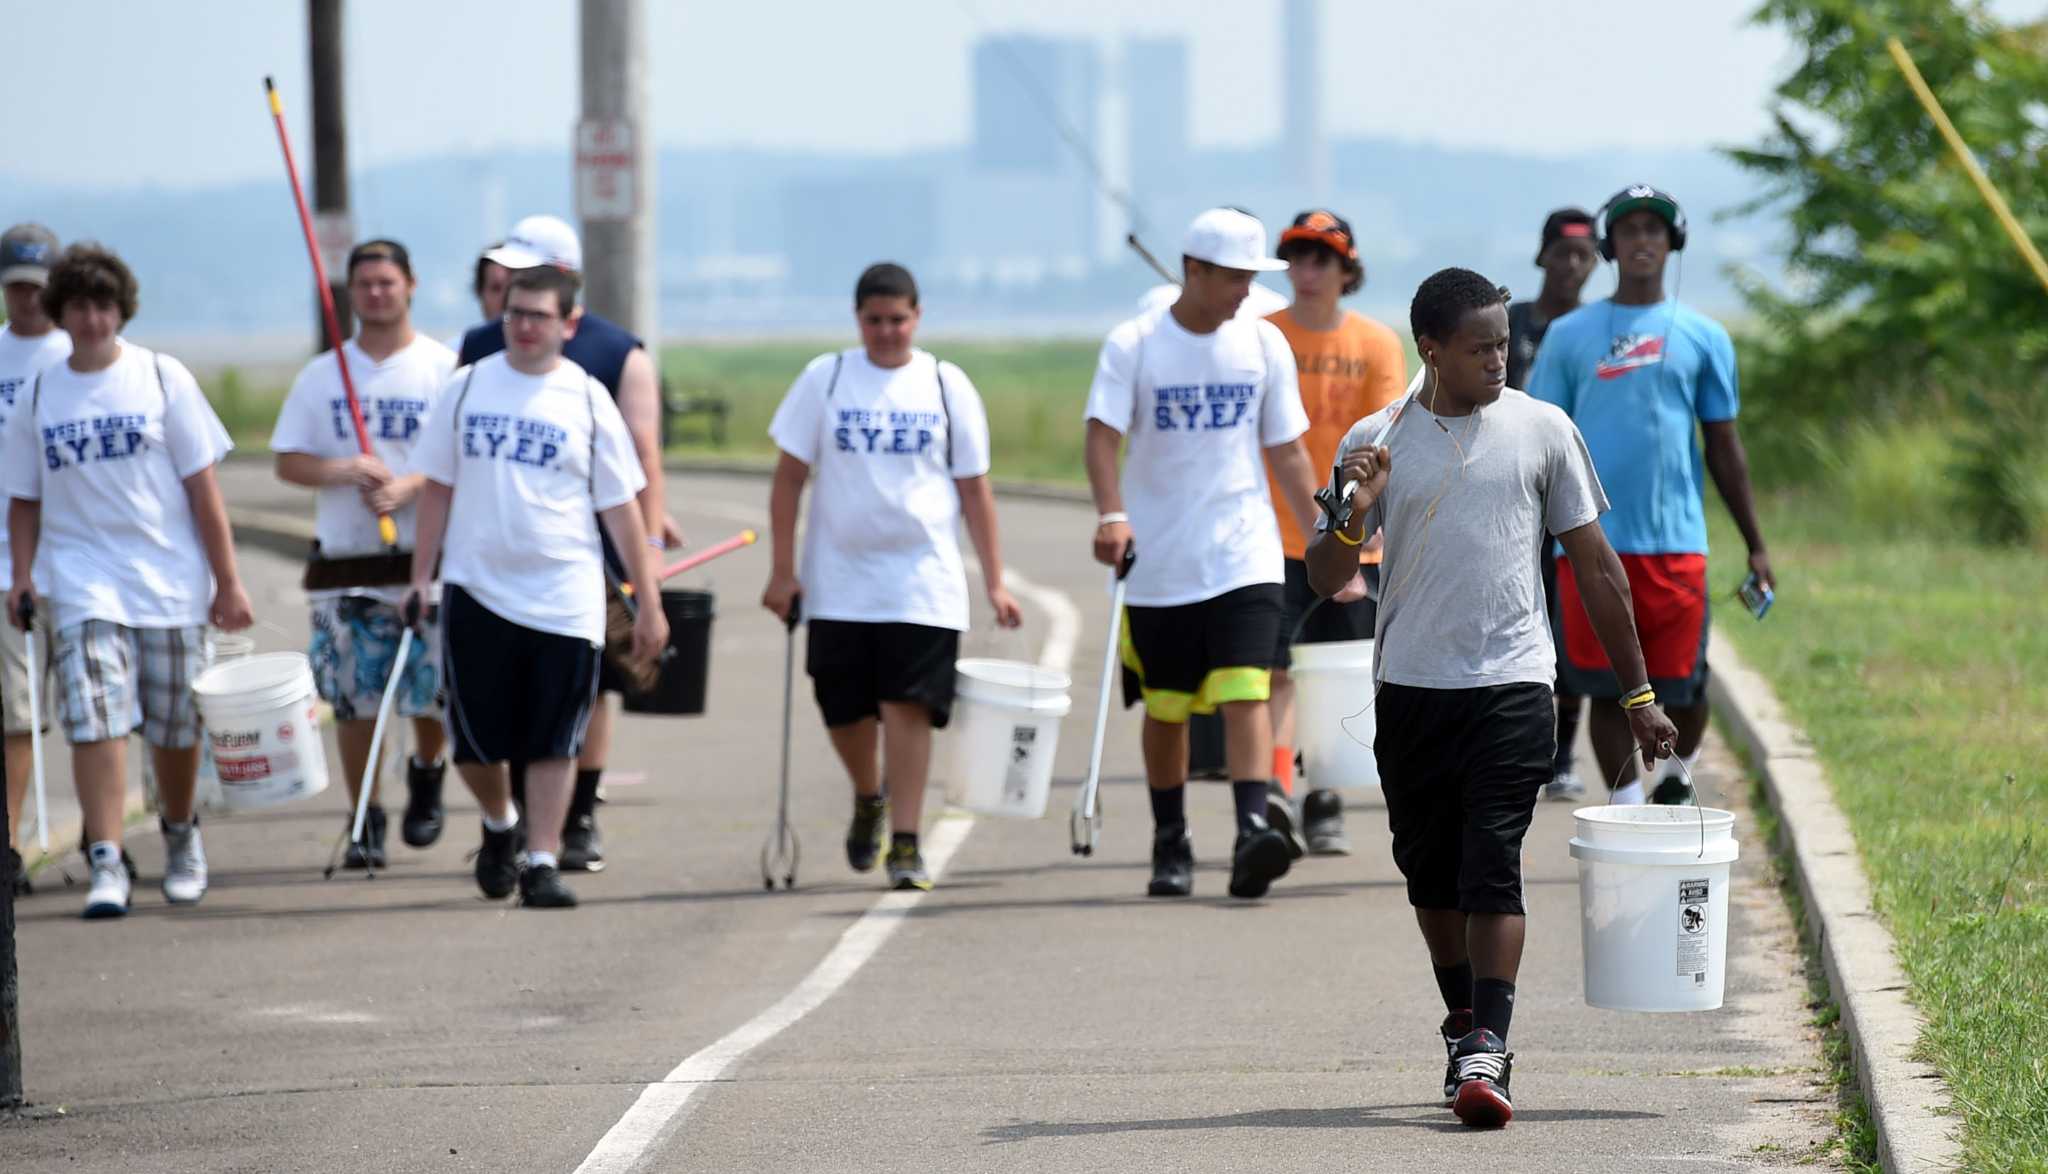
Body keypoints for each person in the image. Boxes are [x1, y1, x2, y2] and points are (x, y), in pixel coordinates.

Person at [1306, 266, 1677, 1129]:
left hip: (1513, 686)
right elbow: (1326, 577)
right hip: (1409, 690)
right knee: (1429, 877)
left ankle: (1490, 1045)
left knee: (1491, 868)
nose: (1498, 360)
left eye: (1504, 342)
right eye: (1480, 348)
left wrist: (1638, 695)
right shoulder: (1377, 437)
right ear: (1431, 350)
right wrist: (1353, 508)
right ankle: (1464, 1021)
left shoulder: (1542, 430)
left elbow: (1596, 569)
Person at [4, 242, 255, 920]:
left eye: (104, 306)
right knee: (95, 720)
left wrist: (227, 583)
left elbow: (203, 490)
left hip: (169, 581)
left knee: (174, 727)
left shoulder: (160, 377)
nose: (93, 320)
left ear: (123, 310)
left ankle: (180, 835)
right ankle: (106, 859)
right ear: (61, 313)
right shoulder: (42, 390)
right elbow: (23, 498)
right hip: (82, 580)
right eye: (80, 307)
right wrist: (21, 577)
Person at [406, 265, 665, 909]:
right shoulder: (466, 388)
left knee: (555, 736)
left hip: (565, 596)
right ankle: (501, 824)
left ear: (568, 324)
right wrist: (421, 576)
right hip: (476, 588)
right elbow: (437, 486)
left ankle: (542, 860)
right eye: (515, 313)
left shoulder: (585, 398)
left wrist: (648, 601)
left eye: (539, 316)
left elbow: (621, 506)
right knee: (474, 742)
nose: (523, 326)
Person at [1084, 207, 1322, 901]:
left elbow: (1288, 450)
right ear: (1195, 270)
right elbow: (1102, 436)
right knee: (1168, 705)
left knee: (1248, 686)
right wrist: (1112, 516)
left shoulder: (1262, 346)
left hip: (1243, 552)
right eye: (1236, 278)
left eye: (1254, 277)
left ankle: (1253, 830)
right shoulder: (1135, 344)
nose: (1247, 291)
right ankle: (1171, 838)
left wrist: (1323, 534)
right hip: (1159, 560)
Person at [762, 262, 1022, 892]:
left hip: (922, 581)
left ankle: (906, 841)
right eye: (874, 321)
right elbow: (789, 478)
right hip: (839, 582)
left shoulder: (944, 384)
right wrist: (782, 571)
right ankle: (868, 794)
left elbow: (974, 489)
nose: (886, 332)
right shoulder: (825, 379)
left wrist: (994, 580)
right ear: (859, 320)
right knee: (844, 709)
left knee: (907, 707)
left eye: (897, 320)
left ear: (917, 316)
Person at [1528, 185, 1774, 805]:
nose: (1643, 241)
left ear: (1673, 244)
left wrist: (1756, 544)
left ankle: (1674, 776)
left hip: (1676, 544)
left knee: (1685, 689)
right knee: (1609, 686)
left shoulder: (1705, 336)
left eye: (1655, 231)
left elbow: (1723, 446)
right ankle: (1627, 808)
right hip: (1590, 546)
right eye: (1631, 231)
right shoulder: (1568, 336)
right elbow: (1540, 440)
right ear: (1611, 246)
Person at [456, 214, 678, 872]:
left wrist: (653, 555)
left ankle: (577, 815)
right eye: (505, 275)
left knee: (594, 687)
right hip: (496, 551)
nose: (507, 286)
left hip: (593, 544)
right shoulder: (478, 346)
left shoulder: (615, 352)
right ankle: (517, 823)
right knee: (506, 697)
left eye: (524, 271)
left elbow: (643, 456)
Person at [271, 240, 453, 868]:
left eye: (387, 281)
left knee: (428, 694)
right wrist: (342, 469)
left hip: (420, 560)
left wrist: (410, 486)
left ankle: (428, 772)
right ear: (350, 293)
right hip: (345, 561)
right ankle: (365, 815)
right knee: (353, 698)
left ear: (411, 285)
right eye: (365, 283)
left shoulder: (442, 369)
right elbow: (288, 461)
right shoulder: (323, 375)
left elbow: (461, 462)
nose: (376, 293)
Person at [1263, 209, 1407, 856]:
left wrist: (1356, 530)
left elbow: (1385, 438)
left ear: (1348, 270)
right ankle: (1270, 791)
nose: (1308, 269)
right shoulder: (1260, 336)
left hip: (1349, 541)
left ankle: (1322, 795)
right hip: (1268, 536)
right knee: (1273, 673)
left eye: (1322, 258)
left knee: (1332, 673)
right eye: (1296, 255)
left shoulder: (1375, 344)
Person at [1506, 208, 1600, 803]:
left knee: (1572, 632)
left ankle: (1563, 757)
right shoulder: (1509, 324)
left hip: (1572, 499)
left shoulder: (1597, 331)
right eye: (1562, 253)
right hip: (1513, 500)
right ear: (1542, 256)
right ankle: (1518, 750)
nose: (1571, 265)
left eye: (1584, 255)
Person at [0, 224, 71, 897]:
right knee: (16, 713)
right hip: (6, 566)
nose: (29, 299)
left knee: (91, 711)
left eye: (39, 287)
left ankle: (105, 836)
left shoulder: (75, 358)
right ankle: (11, 844)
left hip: (76, 561)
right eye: (17, 286)